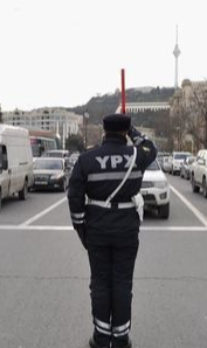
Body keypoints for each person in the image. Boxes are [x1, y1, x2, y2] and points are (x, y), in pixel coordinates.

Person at [68, 114, 158, 348]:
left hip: (96, 228)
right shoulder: (138, 156)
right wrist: (134, 132)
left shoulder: (87, 159)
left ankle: (101, 337)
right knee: (122, 282)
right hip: (126, 229)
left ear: (104, 131)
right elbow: (151, 147)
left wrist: (81, 228)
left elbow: (75, 196)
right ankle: (120, 338)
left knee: (100, 283)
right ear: (125, 131)